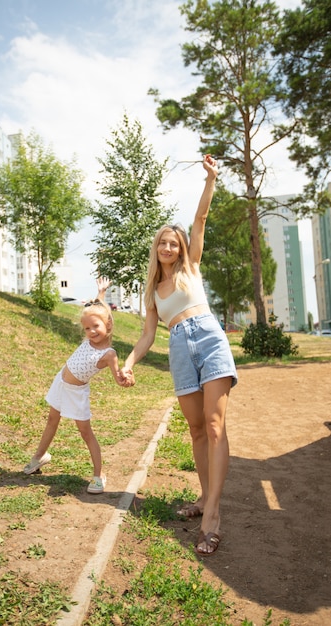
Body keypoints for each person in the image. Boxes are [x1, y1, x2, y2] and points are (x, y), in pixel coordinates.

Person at [120, 155, 237, 555]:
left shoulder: (192, 269)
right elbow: (146, 336)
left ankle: (213, 516)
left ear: (181, 248)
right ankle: (205, 497)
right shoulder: (152, 292)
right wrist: (129, 363)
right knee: (197, 430)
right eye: (162, 242)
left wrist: (211, 179)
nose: (168, 246)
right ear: (156, 249)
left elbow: (201, 218)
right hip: (178, 350)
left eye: (174, 242)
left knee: (216, 424)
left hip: (207, 337)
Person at [23, 277, 134, 494]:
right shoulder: (89, 340)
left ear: (108, 325)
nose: (91, 331)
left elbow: (117, 377)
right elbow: (97, 310)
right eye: (87, 328)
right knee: (51, 421)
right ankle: (39, 457)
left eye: (96, 327)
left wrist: (125, 378)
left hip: (76, 393)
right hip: (60, 382)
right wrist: (101, 293)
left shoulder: (108, 354)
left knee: (86, 433)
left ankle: (98, 475)